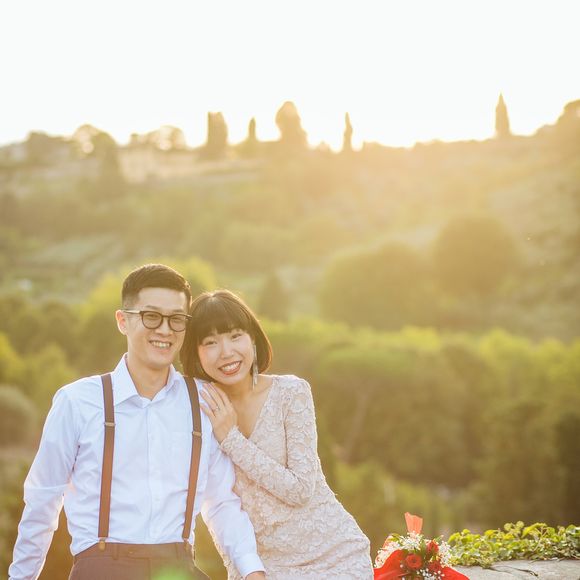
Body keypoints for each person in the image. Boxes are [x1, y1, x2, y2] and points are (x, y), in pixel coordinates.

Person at [9, 264, 266, 580]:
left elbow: (222, 504)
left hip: (177, 569)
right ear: (123, 321)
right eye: (151, 316)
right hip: (101, 570)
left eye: (176, 319)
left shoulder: (204, 401)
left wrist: (252, 571)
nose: (165, 330)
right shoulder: (77, 402)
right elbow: (43, 501)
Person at [181, 289, 373, 579]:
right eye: (210, 342)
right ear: (195, 353)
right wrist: (241, 570)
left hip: (334, 556)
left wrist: (232, 439)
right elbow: (217, 505)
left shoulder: (291, 393)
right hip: (263, 567)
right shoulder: (199, 410)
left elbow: (300, 490)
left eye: (235, 335)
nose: (226, 351)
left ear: (253, 338)